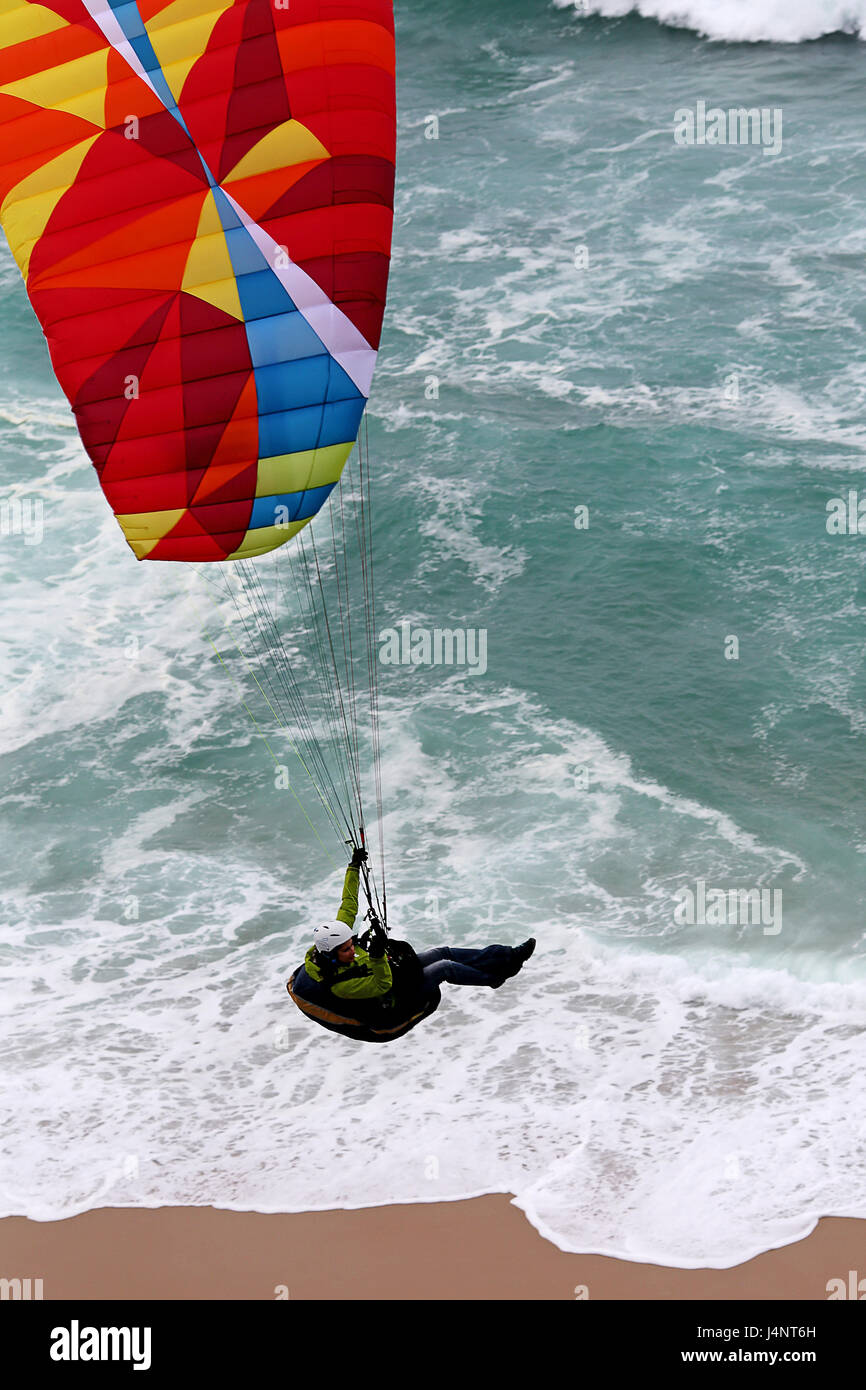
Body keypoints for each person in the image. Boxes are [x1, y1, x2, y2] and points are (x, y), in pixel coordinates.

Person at [300, 847, 535, 1016]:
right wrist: (377, 955)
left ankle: (508, 955)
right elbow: (382, 985)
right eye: (346, 950)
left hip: (398, 974)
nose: (351, 950)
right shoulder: (340, 984)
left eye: (351, 945)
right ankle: (494, 978)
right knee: (444, 967)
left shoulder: (337, 938)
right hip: (396, 998)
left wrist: (354, 867)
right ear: (331, 955)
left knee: (441, 951)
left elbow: (348, 903)